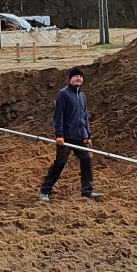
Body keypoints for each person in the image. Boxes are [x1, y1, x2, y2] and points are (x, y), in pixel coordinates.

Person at [39, 67, 98, 202]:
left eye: (81, 77)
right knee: (60, 163)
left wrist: (88, 137)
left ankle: (87, 191)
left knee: (87, 160)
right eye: (76, 76)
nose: (79, 79)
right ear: (70, 79)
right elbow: (58, 116)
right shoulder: (63, 94)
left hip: (81, 137)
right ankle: (45, 190)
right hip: (66, 137)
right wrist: (59, 135)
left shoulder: (82, 96)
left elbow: (84, 117)